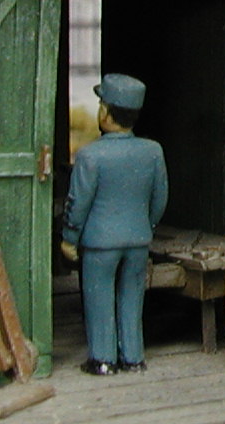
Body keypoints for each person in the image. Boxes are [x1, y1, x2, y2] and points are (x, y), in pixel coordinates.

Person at [61, 74, 169, 375]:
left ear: (106, 113)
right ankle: (133, 356)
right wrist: (146, 225)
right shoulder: (153, 151)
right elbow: (160, 197)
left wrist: (69, 237)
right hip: (138, 239)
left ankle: (103, 358)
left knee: (99, 298)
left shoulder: (90, 155)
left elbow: (78, 203)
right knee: (132, 297)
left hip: (100, 243)